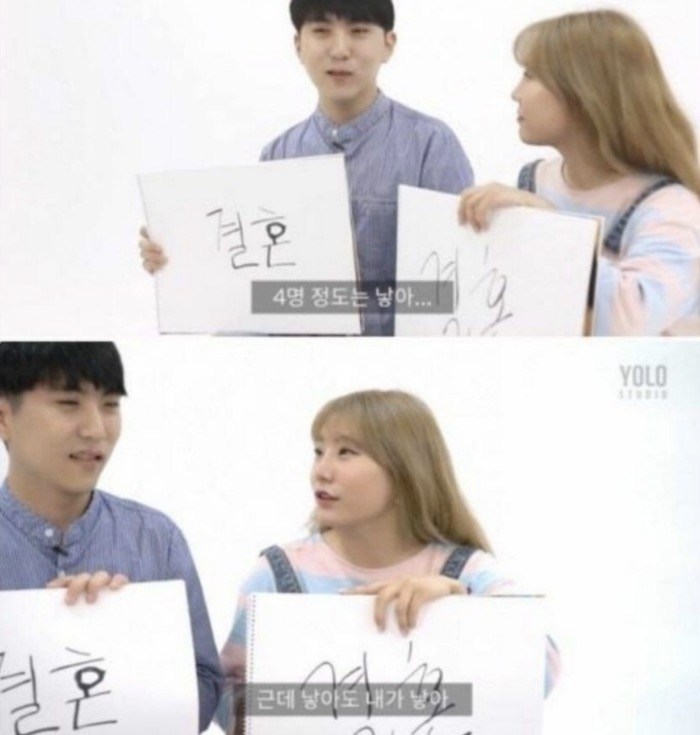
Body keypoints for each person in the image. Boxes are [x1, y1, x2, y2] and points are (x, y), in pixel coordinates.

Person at [217, 389, 560, 733]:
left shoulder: (469, 571)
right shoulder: (278, 572)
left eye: (346, 452)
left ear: (405, 471)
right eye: (319, 451)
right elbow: (225, 694)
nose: (321, 471)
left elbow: (540, 669)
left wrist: (459, 602)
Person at [140, 0, 474, 335]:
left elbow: (459, 287)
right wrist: (180, 262)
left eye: (358, 31)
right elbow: (258, 292)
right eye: (322, 31)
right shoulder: (277, 155)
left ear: (388, 44)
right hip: (293, 358)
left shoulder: (431, 145)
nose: (340, 50)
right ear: (298, 45)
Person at [0, 342, 223, 733]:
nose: (96, 429)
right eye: (68, 403)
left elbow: (206, 685)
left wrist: (126, 640)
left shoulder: (157, 539)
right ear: (4, 418)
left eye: (110, 404)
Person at [458, 9, 700, 336]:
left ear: (584, 91)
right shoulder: (534, 182)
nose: (516, 93)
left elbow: (626, 323)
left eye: (530, 75)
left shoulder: (672, 209)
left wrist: (550, 226)